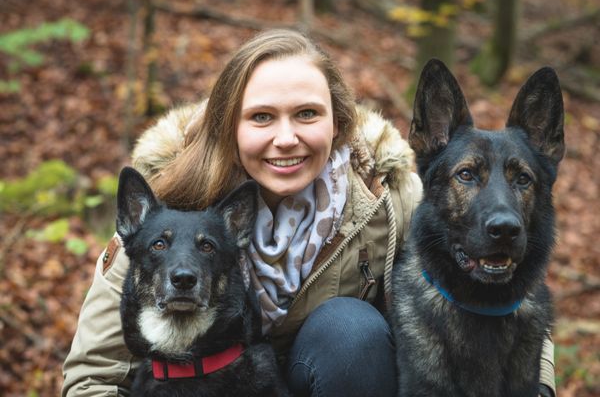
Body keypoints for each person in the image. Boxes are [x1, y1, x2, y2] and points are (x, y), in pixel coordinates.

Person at [61, 29, 555, 397]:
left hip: (325, 378)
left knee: (350, 331)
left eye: (306, 114)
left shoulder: (385, 198)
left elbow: (504, 290)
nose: (285, 138)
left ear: (338, 122)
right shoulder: (166, 213)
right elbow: (91, 376)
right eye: (261, 117)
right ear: (227, 124)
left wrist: (541, 383)